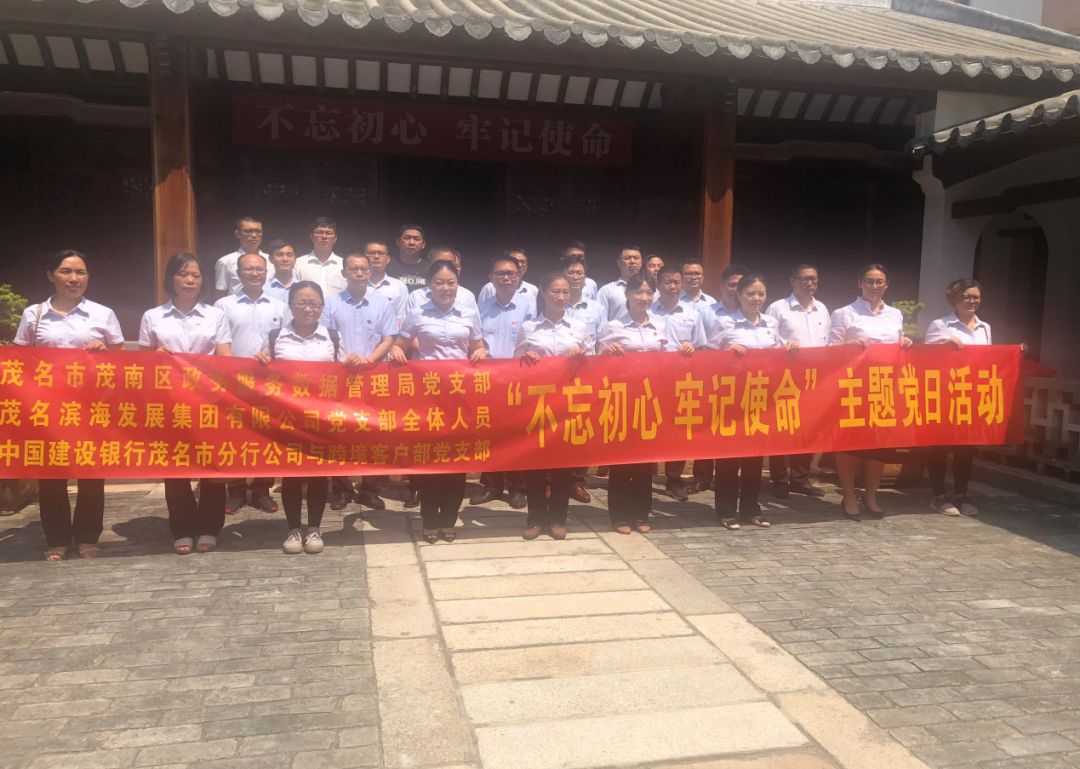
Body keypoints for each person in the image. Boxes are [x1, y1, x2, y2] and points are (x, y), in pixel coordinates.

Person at [14, 249, 124, 560]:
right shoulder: (33, 315)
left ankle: (88, 536)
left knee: (91, 474)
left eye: (80, 272)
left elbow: (122, 363)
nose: (74, 278)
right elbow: (20, 361)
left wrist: (104, 352)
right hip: (47, 409)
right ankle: (57, 539)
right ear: (51, 275)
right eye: (66, 271)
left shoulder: (103, 314)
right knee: (51, 475)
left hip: (91, 407)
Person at [139, 253, 231, 555]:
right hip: (170, 402)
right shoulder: (153, 316)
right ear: (171, 278)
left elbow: (224, 358)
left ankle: (210, 527)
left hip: (208, 402)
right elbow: (142, 363)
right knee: (176, 466)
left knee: (212, 465)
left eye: (196, 275)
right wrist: (156, 358)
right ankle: (182, 528)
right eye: (183, 274)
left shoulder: (215, 315)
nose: (190, 280)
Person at [389, 261, 485, 543]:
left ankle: (448, 520)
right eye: (439, 283)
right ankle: (430, 519)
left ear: (458, 284)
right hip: (427, 396)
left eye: (450, 283)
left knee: (456, 461)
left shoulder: (469, 313)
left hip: (460, 396)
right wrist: (396, 351)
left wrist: (480, 352)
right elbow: (400, 344)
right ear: (429, 285)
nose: (445, 288)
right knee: (431, 460)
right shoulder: (417, 313)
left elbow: (478, 345)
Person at [597, 273, 693, 534]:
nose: (644, 297)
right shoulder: (614, 326)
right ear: (627, 295)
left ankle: (640, 513)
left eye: (649, 292)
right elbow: (596, 365)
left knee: (644, 461)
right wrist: (605, 353)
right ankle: (619, 515)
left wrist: (685, 349)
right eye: (638, 292)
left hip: (651, 401)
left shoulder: (660, 325)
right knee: (621, 460)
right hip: (622, 401)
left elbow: (669, 360)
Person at [707, 274, 796, 529]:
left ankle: (750, 509)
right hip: (731, 399)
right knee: (729, 457)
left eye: (760, 294)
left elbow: (778, 355)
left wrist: (790, 347)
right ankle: (725, 510)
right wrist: (725, 354)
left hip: (760, 398)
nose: (756, 298)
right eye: (750, 294)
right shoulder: (725, 323)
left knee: (754, 457)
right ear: (739, 295)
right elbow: (707, 357)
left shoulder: (771, 323)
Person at [255, 282, 338, 555]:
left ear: (322, 307)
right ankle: (293, 529)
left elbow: (343, 374)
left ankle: (314, 527)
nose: (308, 309)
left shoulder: (332, 337)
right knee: (290, 475)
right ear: (291, 305)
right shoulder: (275, 337)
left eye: (314, 303)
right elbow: (257, 373)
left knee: (317, 475)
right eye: (301, 303)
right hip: (286, 418)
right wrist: (259, 361)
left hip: (320, 418)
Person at [828, 263, 913, 520]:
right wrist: (849, 344)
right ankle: (849, 494)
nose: (874, 286)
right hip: (852, 387)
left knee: (879, 443)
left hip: (884, 387)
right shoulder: (844, 313)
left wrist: (905, 342)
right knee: (848, 442)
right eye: (869, 281)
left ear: (886, 285)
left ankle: (872, 495)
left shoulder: (895, 314)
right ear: (860, 284)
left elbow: (897, 347)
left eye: (879, 282)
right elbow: (829, 349)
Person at [515, 273, 592, 540]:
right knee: (536, 462)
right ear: (543, 292)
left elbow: (593, 364)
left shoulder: (579, 327)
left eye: (565, 292)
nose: (561, 297)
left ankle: (559, 517)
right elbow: (515, 362)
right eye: (555, 291)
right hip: (539, 404)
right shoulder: (529, 327)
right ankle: (535, 518)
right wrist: (526, 356)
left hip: (568, 403)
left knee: (563, 463)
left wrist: (581, 357)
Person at [322, 252, 399, 512]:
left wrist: (370, 359)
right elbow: (325, 336)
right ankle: (342, 488)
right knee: (339, 433)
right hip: (340, 375)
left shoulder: (381, 303)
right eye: (353, 269)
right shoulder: (331, 303)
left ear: (370, 272)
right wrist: (343, 360)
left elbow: (389, 337)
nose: (358, 273)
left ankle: (369, 488)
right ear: (344, 273)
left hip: (373, 376)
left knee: (374, 433)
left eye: (363, 269)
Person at [214, 252, 287, 514]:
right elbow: (218, 342)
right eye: (248, 269)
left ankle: (261, 489)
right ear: (238, 273)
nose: (254, 273)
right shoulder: (223, 305)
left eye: (259, 269)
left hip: (269, 382)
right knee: (233, 436)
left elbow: (286, 340)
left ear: (266, 273)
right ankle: (235, 490)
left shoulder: (279, 306)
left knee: (267, 436)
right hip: (233, 382)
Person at [923, 278, 991, 517]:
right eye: (966, 297)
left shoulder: (985, 327)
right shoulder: (940, 325)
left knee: (966, 447)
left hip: (971, 394)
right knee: (940, 445)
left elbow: (989, 360)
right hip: (944, 394)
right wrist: (943, 344)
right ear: (954, 299)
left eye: (975, 297)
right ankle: (938, 495)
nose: (972, 301)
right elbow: (925, 358)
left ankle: (961, 494)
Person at [472, 256, 535, 509]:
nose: (506, 278)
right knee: (490, 433)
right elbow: (473, 340)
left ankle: (517, 487)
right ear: (491, 278)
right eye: (500, 274)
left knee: (517, 433)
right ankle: (492, 484)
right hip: (488, 379)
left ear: (519, 277)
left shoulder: (530, 307)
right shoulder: (480, 308)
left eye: (511, 274)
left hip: (519, 379)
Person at [765, 263, 830, 499]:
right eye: (805, 279)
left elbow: (828, 343)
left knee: (807, 428)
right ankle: (780, 479)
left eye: (814, 279)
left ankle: (800, 479)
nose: (810, 283)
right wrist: (785, 347)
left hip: (814, 380)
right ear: (793, 281)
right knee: (782, 427)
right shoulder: (778, 308)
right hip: (785, 378)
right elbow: (768, 338)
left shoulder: (822, 309)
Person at [691, 263, 749, 494]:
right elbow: (701, 346)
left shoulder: (750, 313)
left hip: (744, 384)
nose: (736, 289)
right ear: (722, 286)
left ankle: (730, 477)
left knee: (736, 430)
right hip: (713, 380)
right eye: (733, 285)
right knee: (708, 428)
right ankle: (702, 477)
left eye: (741, 285)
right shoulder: (707, 312)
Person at [651, 265, 707, 502]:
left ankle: (673, 479)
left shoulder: (692, 314)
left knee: (677, 430)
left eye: (676, 282)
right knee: (650, 426)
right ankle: (643, 476)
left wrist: (692, 348)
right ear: (658, 284)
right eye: (667, 282)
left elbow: (702, 346)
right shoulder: (648, 311)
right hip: (651, 380)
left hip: (681, 380)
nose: (672, 286)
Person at [561, 254, 607, 503]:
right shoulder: (554, 302)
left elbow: (602, 341)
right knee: (556, 427)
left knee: (582, 427)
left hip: (586, 375)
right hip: (556, 376)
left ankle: (577, 481)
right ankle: (553, 479)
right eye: (571, 272)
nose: (575, 277)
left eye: (579, 272)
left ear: (585, 277)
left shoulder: (596, 308)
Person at [407, 247, 478, 313]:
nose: (444, 266)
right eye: (439, 263)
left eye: (449, 263)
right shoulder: (416, 297)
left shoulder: (467, 296)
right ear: (429, 266)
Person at [213, 216, 266, 299]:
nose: (254, 235)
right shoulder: (226, 261)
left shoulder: (271, 261)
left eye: (258, 231)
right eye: (248, 231)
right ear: (237, 234)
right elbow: (220, 293)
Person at [295, 217, 345, 296]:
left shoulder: (344, 264)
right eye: (319, 232)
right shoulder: (298, 264)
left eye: (328, 233)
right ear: (311, 237)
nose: (324, 237)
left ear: (335, 238)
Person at [363, 239, 409, 323]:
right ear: (363, 257)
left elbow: (401, 319)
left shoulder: (399, 287)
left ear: (388, 259)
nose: (376, 256)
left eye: (381, 253)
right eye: (371, 253)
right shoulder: (353, 284)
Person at [596, 245, 643, 323]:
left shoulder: (652, 290)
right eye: (627, 258)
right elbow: (600, 319)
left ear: (641, 262)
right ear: (618, 263)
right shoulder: (606, 290)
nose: (632, 261)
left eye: (636, 258)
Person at [388, 224, 428, 292]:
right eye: (407, 238)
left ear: (423, 244)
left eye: (417, 239)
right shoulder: (387, 264)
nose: (411, 243)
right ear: (398, 242)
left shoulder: (430, 268)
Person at [263, 238, 298, 303]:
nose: (285, 259)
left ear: (295, 259)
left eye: (289, 255)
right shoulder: (263, 288)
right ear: (271, 259)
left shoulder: (302, 288)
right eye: (279, 255)